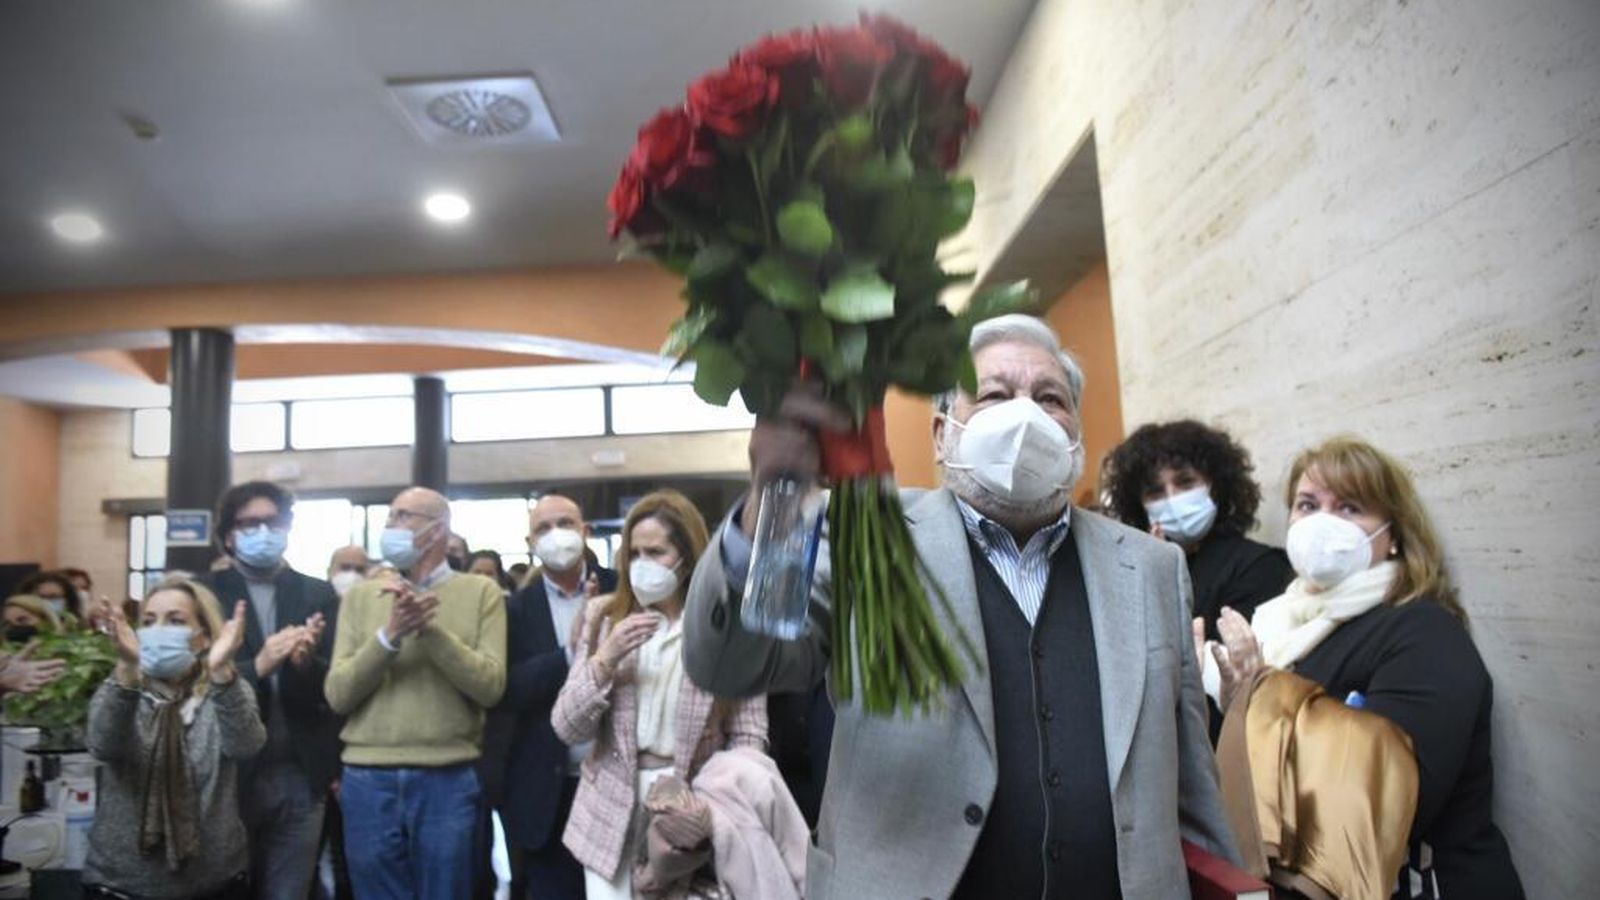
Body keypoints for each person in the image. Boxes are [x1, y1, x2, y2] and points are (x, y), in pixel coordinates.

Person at [682, 314, 1238, 898]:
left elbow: (1191, 784)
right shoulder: (864, 538)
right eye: (994, 395)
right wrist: (774, 501)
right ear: (942, 434)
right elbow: (732, 664)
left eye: (1050, 398)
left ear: (1076, 433)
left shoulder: (1151, 567)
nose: (1024, 413)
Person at [1203, 437, 1524, 899]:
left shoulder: (1423, 633)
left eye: (1350, 508)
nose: (1322, 524)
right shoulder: (1279, 624)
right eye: (1307, 505)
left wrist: (1254, 703)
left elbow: (1378, 805)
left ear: (1392, 535)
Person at [554, 490, 767, 899]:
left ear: (688, 556)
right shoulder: (605, 617)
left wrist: (711, 812)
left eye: (656, 552)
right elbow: (567, 726)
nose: (642, 565)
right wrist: (606, 658)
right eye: (633, 553)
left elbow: (749, 737)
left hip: (690, 809)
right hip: (608, 810)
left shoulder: (728, 626)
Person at [324, 486, 506, 900]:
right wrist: (389, 637)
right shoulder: (360, 597)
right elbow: (338, 694)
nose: (392, 526)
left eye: (404, 516)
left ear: (438, 530)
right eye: (390, 517)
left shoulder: (481, 592)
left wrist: (429, 631)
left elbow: (490, 687)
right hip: (367, 776)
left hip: (448, 776)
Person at [200, 481, 343, 900]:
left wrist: (304, 664)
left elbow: (334, 683)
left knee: (289, 890)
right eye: (249, 523)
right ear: (229, 535)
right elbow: (192, 681)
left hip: (299, 769)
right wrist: (257, 666)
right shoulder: (205, 592)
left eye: (271, 521)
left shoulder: (317, 592)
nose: (262, 531)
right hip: (229, 772)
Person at [83, 577, 265, 899]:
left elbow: (246, 745)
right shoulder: (123, 690)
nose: (158, 630)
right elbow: (103, 745)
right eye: (149, 622)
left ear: (203, 636)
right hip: (120, 883)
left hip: (215, 882)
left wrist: (221, 672)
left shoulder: (225, 692)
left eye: (176, 621)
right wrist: (127, 667)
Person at [482, 494, 617, 900]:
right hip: (548, 788)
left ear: (586, 532)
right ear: (530, 542)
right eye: (543, 528)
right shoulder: (515, 609)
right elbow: (508, 688)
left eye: (565, 523)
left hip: (616, 778)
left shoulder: (622, 589)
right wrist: (569, 654)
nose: (556, 535)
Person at [1103, 420, 1293, 642]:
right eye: (1155, 492)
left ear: (1216, 487)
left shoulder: (1260, 565)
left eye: (1186, 482)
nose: (1172, 498)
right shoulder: (1137, 577)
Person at [14, 570, 83, 626]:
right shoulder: (13, 629)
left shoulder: (79, 630)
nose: (46, 602)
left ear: (68, 601)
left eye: (53, 597)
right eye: (40, 597)